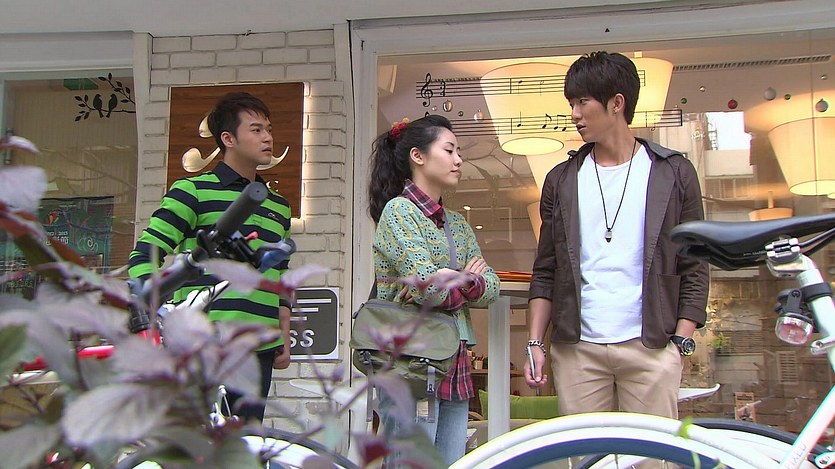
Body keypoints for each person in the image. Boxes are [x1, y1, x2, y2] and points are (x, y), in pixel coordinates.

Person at [523, 51, 709, 421]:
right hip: (578, 349)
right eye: (571, 103)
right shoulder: (562, 180)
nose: (574, 114)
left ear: (616, 103)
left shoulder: (673, 173)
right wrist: (535, 342)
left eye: (582, 102)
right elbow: (546, 270)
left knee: (651, 451)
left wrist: (681, 340)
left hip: (652, 346)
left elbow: (695, 264)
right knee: (585, 450)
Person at [128, 91, 292, 423]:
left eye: (269, 129)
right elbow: (145, 253)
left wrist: (284, 334)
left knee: (247, 442)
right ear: (228, 138)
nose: (268, 138)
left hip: (258, 347)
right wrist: (153, 318)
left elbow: (282, 276)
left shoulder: (279, 205)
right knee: (199, 439)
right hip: (203, 344)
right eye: (256, 130)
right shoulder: (192, 191)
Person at [368, 115, 500, 466]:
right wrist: (464, 278)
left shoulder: (457, 223)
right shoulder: (399, 211)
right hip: (411, 360)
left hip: (455, 357)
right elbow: (428, 287)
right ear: (418, 156)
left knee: (452, 462)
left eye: (459, 152)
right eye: (449, 150)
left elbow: (492, 288)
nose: (459, 159)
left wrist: (451, 278)